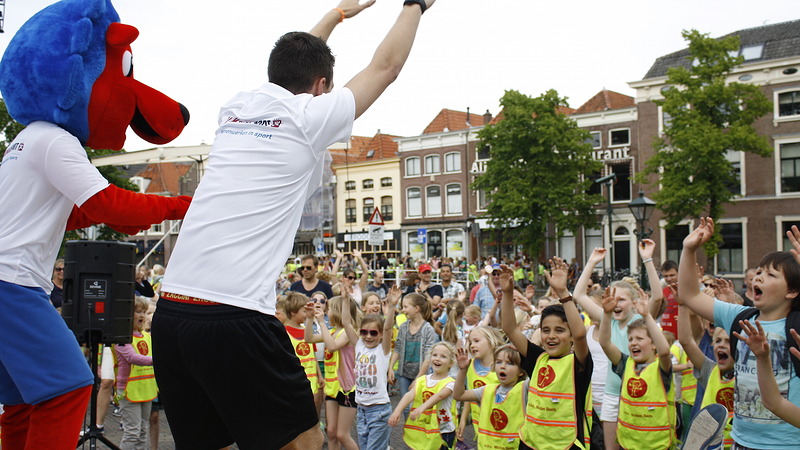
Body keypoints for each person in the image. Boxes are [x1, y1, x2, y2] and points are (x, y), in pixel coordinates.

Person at [152, 0, 438, 448]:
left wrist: (335, 15)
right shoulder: (308, 118)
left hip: (172, 312)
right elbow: (386, 67)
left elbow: (296, 65)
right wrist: (415, 5)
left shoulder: (236, 108)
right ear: (322, 87)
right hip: (234, 312)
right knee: (305, 442)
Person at [679, 218, 800, 448]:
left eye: (771, 275)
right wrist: (689, 249)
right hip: (741, 441)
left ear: (792, 290)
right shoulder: (740, 316)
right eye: (759, 272)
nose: (758, 277)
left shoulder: (796, 323)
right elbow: (690, 296)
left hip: (787, 444)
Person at [573, 244, 662, 450]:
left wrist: (647, 260)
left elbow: (658, 296)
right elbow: (578, 295)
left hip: (639, 393)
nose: (617, 304)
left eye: (621, 299)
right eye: (612, 299)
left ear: (634, 302)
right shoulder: (607, 319)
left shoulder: (640, 319)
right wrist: (592, 261)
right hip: (611, 394)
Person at [501, 260, 593, 450]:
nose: (551, 336)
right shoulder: (537, 358)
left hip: (566, 445)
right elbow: (509, 328)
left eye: (559, 330)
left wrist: (563, 293)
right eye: (546, 330)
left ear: (570, 337)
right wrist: (508, 293)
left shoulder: (578, 364)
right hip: (531, 443)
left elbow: (580, 334)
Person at [599, 286, 675, 450]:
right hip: (628, 444)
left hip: (657, 445)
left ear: (653, 343)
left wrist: (647, 315)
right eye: (631, 339)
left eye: (640, 338)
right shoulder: (625, 364)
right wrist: (606, 314)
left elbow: (665, 351)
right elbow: (604, 342)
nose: (633, 343)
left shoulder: (661, 369)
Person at [677, 301, 735, 448]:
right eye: (717, 341)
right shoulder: (709, 370)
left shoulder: (748, 376)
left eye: (728, 342)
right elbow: (686, 341)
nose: (721, 344)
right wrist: (682, 305)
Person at [306, 294, 359, 450]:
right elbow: (308, 338)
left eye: (329, 309)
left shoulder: (348, 332)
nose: (326, 312)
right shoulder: (333, 332)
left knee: (343, 434)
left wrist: (321, 322)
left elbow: (332, 347)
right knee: (331, 432)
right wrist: (310, 319)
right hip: (333, 387)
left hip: (347, 387)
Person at [453, 344, 527, 450]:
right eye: (498, 362)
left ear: (521, 371)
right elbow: (458, 395)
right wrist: (463, 370)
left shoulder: (525, 389)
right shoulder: (487, 390)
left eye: (510, 363)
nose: (502, 366)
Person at [389, 342, 458, 450]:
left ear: (451, 363)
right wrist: (397, 411)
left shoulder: (451, 383)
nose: (437, 359)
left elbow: (439, 396)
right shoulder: (422, 380)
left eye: (443, 356)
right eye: (435, 355)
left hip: (443, 430)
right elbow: (409, 395)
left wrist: (422, 407)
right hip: (423, 427)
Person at [354, 285, 399, 450]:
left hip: (378, 409)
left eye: (373, 333)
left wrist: (392, 306)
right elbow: (345, 321)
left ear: (380, 335)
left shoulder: (383, 350)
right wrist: (345, 299)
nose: (368, 336)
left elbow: (387, 328)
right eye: (364, 332)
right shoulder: (359, 344)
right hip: (362, 410)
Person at [115, 297, 158, 450]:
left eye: (143, 312)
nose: (142, 316)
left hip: (146, 388)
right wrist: (159, 360)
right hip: (128, 390)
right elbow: (133, 358)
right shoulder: (122, 338)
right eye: (137, 312)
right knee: (132, 432)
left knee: (142, 431)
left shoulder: (147, 336)